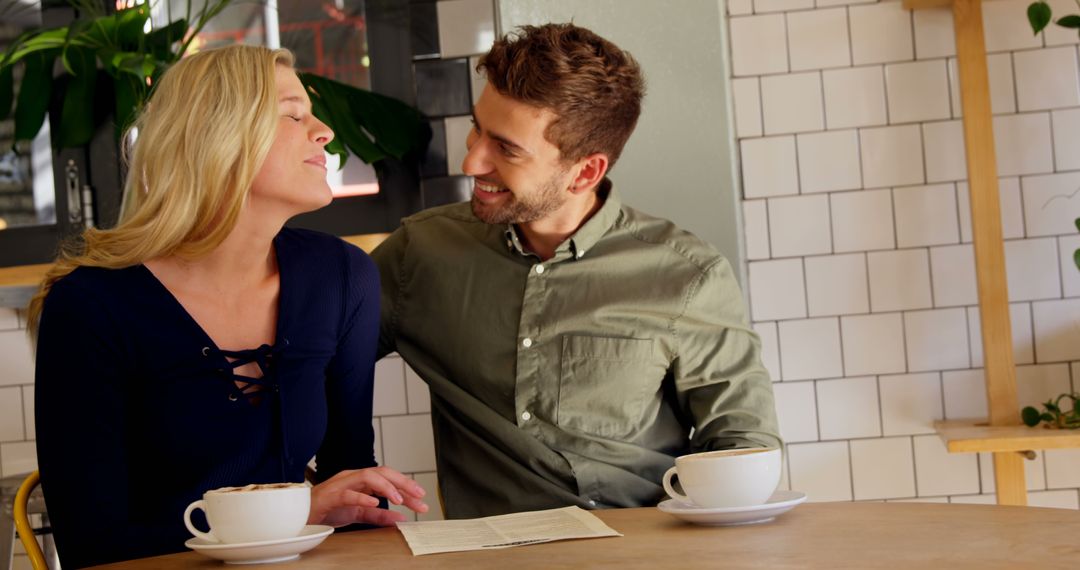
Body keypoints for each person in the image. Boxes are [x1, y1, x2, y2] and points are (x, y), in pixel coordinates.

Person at [28, 45, 427, 568]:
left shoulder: (341, 275)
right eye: (293, 115)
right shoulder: (90, 306)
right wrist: (299, 511)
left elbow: (351, 480)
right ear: (219, 138)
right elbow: (91, 542)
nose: (325, 131)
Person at [372, 23, 780, 519]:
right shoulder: (420, 253)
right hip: (489, 548)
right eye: (478, 128)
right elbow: (308, 359)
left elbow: (742, 444)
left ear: (585, 172)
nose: (472, 160)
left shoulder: (688, 275)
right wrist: (325, 478)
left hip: (638, 539)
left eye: (506, 148)